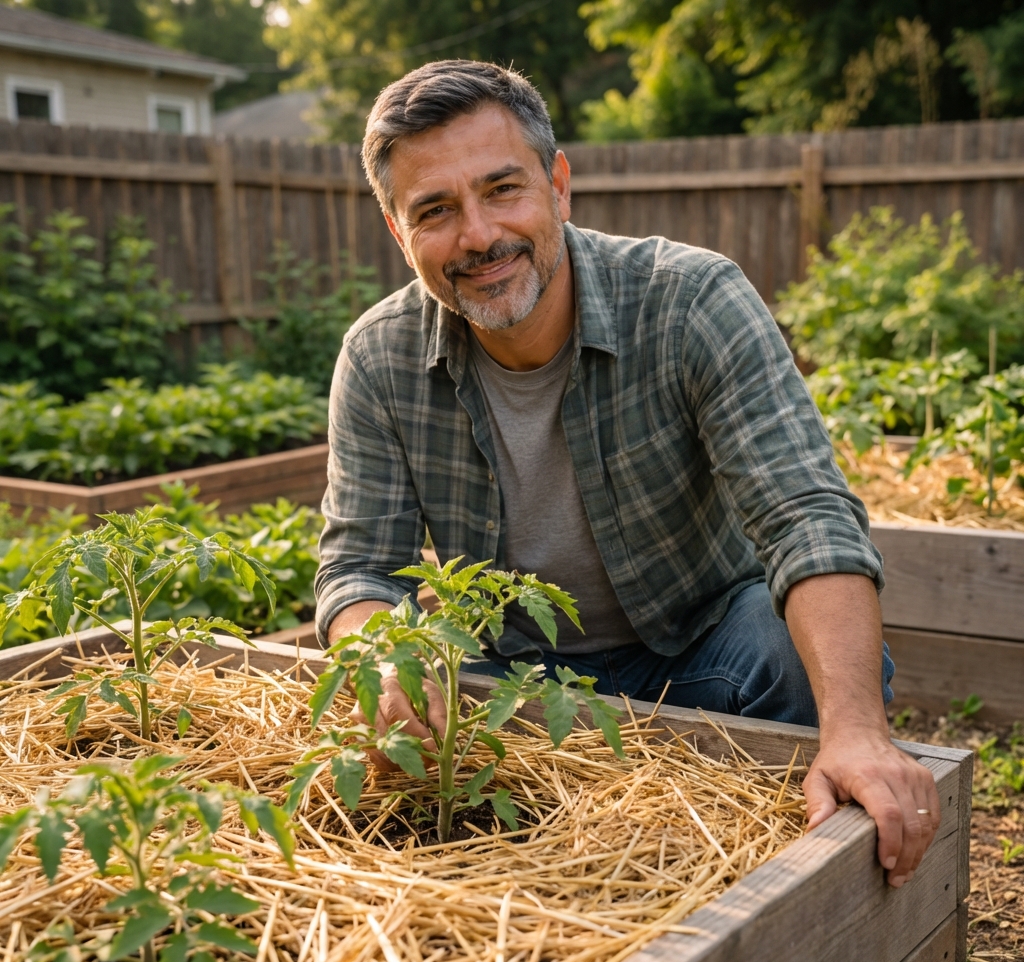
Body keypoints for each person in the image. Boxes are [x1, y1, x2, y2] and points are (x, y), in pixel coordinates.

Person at [313, 59, 940, 887]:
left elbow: (805, 515)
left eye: (503, 189)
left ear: (559, 186)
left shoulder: (690, 300)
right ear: (400, 233)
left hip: (698, 652)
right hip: (507, 680)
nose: (476, 235)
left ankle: (796, 888)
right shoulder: (379, 358)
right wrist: (389, 661)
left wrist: (857, 726)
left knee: (786, 655)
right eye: (435, 210)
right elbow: (360, 568)